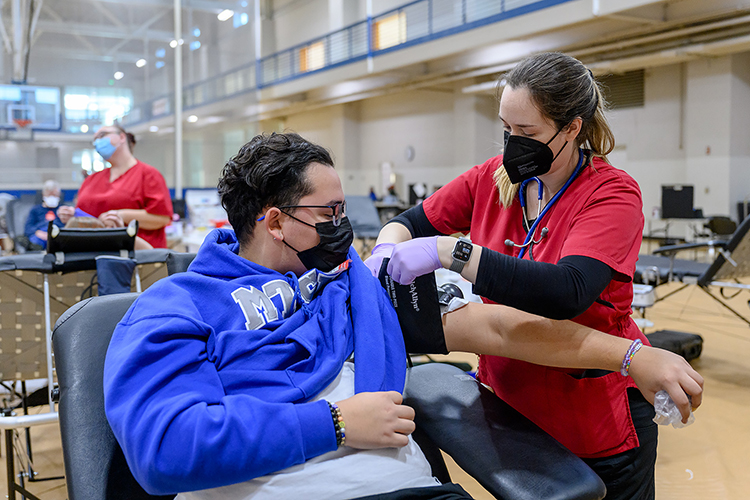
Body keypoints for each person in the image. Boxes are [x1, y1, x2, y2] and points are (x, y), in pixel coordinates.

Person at [103, 132, 702, 499]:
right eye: (329, 211)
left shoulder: (353, 281)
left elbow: (494, 327)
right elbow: (164, 448)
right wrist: (333, 423)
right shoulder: (174, 307)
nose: (345, 226)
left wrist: (631, 355)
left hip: (410, 489)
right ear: (274, 219)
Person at [366, 52, 674, 499]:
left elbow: (566, 292)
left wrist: (450, 252)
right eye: (507, 129)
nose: (512, 144)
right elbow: (412, 221)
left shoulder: (611, 193)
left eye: (527, 132)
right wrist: (386, 248)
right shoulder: (492, 180)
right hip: (511, 407)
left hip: (590, 415)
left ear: (573, 127)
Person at [58, 124, 173, 248]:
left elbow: (162, 218)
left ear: (122, 137)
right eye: (95, 140)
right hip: (94, 253)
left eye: (102, 135)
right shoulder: (92, 180)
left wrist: (121, 215)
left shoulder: (148, 174)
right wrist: (71, 215)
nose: (98, 142)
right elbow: (86, 216)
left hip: (139, 257)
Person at [23, 180, 65, 250]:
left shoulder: (64, 210)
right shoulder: (35, 210)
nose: (52, 197)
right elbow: (28, 228)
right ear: (43, 194)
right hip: (39, 235)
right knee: (35, 240)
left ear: (59, 195)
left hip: (57, 235)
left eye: (54, 195)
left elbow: (68, 227)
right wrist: (39, 233)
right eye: (49, 195)